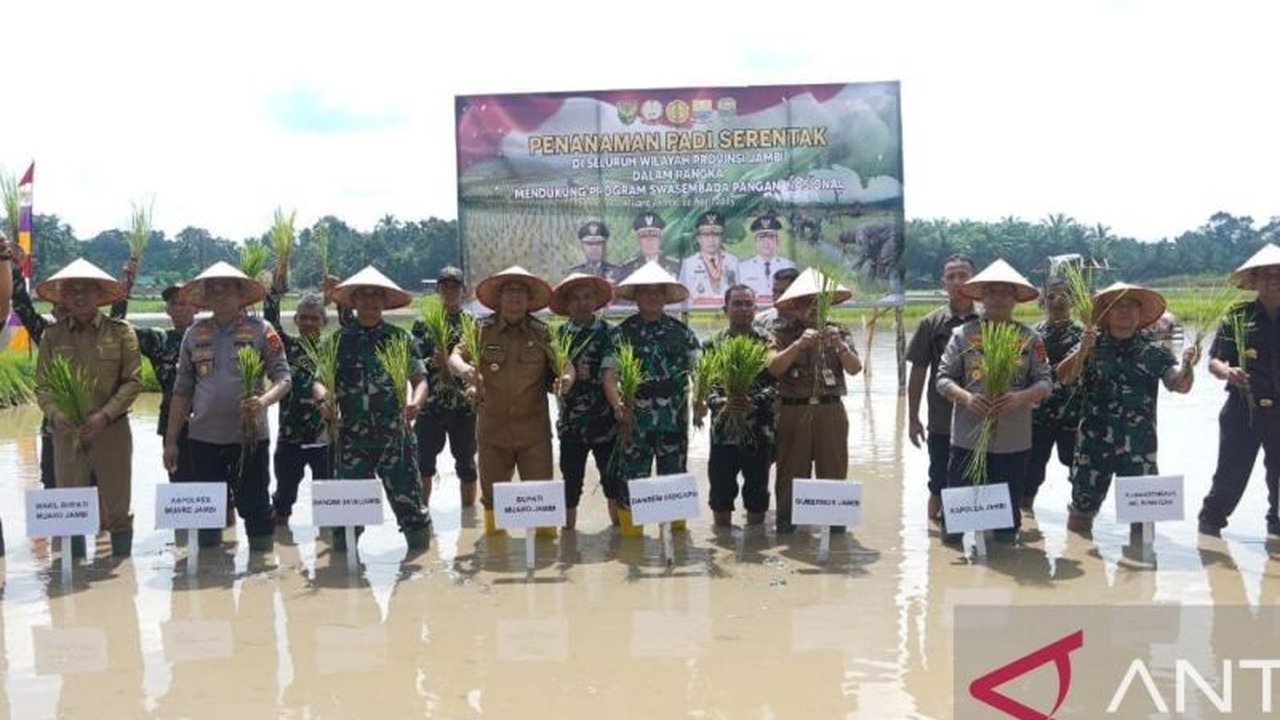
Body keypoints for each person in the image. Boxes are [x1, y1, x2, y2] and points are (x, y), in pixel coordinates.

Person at [165, 261, 292, 552]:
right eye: (213, 290)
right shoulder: (194, 334)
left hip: (249, 438)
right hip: (203, 439)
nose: (220, 294)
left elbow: (283, 378)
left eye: (228, 288)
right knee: (208, 512)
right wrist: (172, 441)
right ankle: (210, 571)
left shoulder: (262, 330)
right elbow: (182, 391)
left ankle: (260, 571)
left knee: (256, 505)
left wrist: (263, 401)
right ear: (205, 298)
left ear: (241, 295)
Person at [1058, 282, 1196, 533]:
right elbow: (1064, 377)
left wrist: (1188, 366)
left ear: (1140, 313)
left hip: (1139, 447)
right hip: (1093, 445)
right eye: (1117, 306)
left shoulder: (1153, 351)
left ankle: (1141, 568)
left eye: (1131, 306)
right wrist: (1083, 352)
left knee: (1142, 520)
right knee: (1081, 512)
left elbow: (1179, 385)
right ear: (1106, 314)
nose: (1125, 311)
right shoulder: (1089, 344)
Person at [936, 259, 1052, 544]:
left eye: (1005, 292)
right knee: (954, 528)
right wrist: (966, 398)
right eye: (992, 292)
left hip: (1013, 442)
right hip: (967, 439)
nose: (998, 298)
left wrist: (1022, 397)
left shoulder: (1030, 338)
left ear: (1015, 299)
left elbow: (1046, 382)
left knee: (1005, 531)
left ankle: (1003, 578)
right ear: (982, 297)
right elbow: (942, 379)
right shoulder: (963, 336)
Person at [450, 266, 572, 537]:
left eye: (521, 293)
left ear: (529, 300)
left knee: (540, 500)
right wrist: (465, 370)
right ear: (499, 298)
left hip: (534, 434)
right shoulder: (480, 329)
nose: (515, 298)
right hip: (492, 432)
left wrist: (566, 378)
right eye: (509, 292)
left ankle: (545, 563)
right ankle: (496, 558)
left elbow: (566, 365)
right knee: (493, 501)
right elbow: (455, 356)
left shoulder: (542, 333)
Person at [34, 259, 142, 557]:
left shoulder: (121, 333)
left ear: (99, 294)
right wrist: (57, 414)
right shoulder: (52, 336)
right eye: (72, 291)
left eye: (86, 290)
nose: (79, 296)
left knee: (117, 505)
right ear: (63, 297)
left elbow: (133, 382)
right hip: (67, 433)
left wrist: (105, 415)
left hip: (112, 430)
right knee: (70, 507)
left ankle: (120, 578)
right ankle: (72, 574)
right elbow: (42, 386)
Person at [324, 266, 432, 550]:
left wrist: (415, 402)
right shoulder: (338, 340)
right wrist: (325, 399)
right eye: (363, 296)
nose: (370, 301)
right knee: (346, 514)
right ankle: (345, 574)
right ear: (354, 301)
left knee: (412, 510)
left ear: (384, 302)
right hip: (351, 440)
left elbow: (420, 380)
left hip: (394, 439)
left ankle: (420, 573)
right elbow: (320, 382)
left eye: (376, 296)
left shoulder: (400, 338)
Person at [767, 268, 861, 534]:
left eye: (818, 301)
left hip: (830, 409)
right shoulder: (780, 332)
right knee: (790, 475)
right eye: (806, 301)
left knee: (834, 470)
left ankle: (836, 531)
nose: (812, 307)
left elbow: (855, 368)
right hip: (793, 410)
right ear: (795, 305)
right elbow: (774, 367)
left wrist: (839, 346)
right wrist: (797, 345)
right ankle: (787, 527)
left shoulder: (839, 331)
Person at [609, 263, 700, 536]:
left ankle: (676, 541)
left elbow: (700, 370)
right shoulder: (621, 334)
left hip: (673, 421)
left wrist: (702, 401)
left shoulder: (681, 333)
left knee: (674, 479)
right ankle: (632, 542)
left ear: (664, 296)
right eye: (645, 292)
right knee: (632, 480)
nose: (651, 297)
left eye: (657, 292)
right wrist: (617, 406)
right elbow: (609, 375)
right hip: (634, 422)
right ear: (636, 297)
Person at [1199, 244, 1280, 538]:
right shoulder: (1239, 314)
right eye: (1266, 274)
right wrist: (1228, 372)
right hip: (1242, 409)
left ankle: (1275, 533)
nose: (1273, 279)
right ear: (1255, 281)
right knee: (1229, 477)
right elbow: (1215, 360)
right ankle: (1209, 531)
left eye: (1279, 274)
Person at [905, 254, 978, 522]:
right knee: (938, 481)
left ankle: (977, 534)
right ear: (943, 283)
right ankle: (935, 545)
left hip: (980, 419)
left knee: (979, 480)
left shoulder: (988, 321)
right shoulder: (931, 323)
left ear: (974, 281)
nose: (958, 281)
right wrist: (912, 419)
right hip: (942, 419)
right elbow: (918, 372)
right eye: (951, 276)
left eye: (964, 275)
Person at [113, 259, 196, 480]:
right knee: (181, 492)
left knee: (221, 496)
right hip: (174, 427)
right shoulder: (159, 340)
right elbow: (116, 328)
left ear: (196, 305)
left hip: (209, 424)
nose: (179, 307)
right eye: (174, 303)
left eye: (184, 302)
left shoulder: (210, 335)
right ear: (167, 309)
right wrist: (125, 289)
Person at [701, 284, 776, 527]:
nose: (743, 309)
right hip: (722, 433)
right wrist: (722, 402)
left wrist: (754, 402)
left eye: (748, 304)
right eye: (737, 304)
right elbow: (706, 383)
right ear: (726, 309)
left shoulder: (767, 343)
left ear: (756, 309)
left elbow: (777, 385)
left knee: (757, 494)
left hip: (759, 432)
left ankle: (755, 548)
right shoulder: (712, 344)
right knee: (721, 494)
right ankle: (722, 544)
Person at [549, 272, 618, 530]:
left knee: (613, 483)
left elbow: (612, 371)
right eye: (576, 298)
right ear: (567, 304)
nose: (582, 303)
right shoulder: (557, 336)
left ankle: (620, 537)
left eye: (587, 297)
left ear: (596, 300)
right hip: (571, 425)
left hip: (606, 423)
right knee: (570, 484)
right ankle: (568, 539)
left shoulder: (610, 333)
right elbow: (557, 371)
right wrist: (565, 380)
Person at [264, 261, 330, 524]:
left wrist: (337, 295)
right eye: (304, 317)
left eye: (315, 318)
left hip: (324, 438)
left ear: (324, 321)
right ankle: (280, 549)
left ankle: (329, 556)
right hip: (290, 437)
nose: (309, 322)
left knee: (328, 500)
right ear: (296, 320)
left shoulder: (333, 349)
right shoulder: (285, 347)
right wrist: (276, 289)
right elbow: (269, 320)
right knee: (283, 499)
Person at [409, 266, 478, 508]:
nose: (450, 291)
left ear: (463, 290)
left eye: (455, 286)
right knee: (424, 464)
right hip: (430, 406)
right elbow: (413, 363)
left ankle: (468, 516)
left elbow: (479, 362)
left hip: (463, 405)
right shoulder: (422, 323)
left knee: (467, 466)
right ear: (438, 289)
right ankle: (422, 513)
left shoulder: (471, 323)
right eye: (445, 286)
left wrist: (473, 386)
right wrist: (432, 362)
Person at [1024, 274, 1084, 510]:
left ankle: (1078, 530)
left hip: (1074, 417)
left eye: (1064, 295)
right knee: (1030, 476)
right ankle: (1025, 518)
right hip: (1038, 418)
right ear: (1042, 301)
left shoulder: (1087, 335)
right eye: (1051, 296)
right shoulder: (1031, 335)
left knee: (1079, 476)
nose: (1057, 301)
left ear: (1074, 300)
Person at [679, 210, 739, 306]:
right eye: (706, 235)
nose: (711, 240)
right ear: (698, 238)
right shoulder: (688, 264)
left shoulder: (733, 261)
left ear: (722, 237)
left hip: (727, 317)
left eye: (716, 234)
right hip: (697, 318)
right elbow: (682, 298)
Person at [737, 212, 796, 303]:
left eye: (771, 238)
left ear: (777, 242)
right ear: (755, 242)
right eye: (762, 238)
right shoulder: (743, 268)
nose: (766, 243)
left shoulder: (788, 266)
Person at [618, 211, 680, 277]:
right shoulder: (628, 269)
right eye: (644, 236)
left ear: (660, 239)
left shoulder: (675, 267)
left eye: (654, 236)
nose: (650, 241)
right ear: (638, 240)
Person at [753, 266, 801, 334]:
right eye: (774, 291)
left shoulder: (809, 321)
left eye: (782, 292)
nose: (776, 296)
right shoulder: (760, 321)